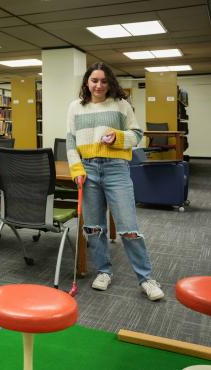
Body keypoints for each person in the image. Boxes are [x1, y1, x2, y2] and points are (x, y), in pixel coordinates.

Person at [66, 62, 164, 301]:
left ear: (110, 83)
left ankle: (146, 279)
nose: (98, 85)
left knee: (128, 228)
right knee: (94, 227)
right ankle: (103, 271)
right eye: (94, 80)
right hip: (87, 169)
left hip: (116, 169)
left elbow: (137, 135)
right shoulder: (75, 107)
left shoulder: (122, 105)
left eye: (103, 81)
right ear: (87, 83)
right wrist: (76, 168)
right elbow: (70, 141)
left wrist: (118, 137)